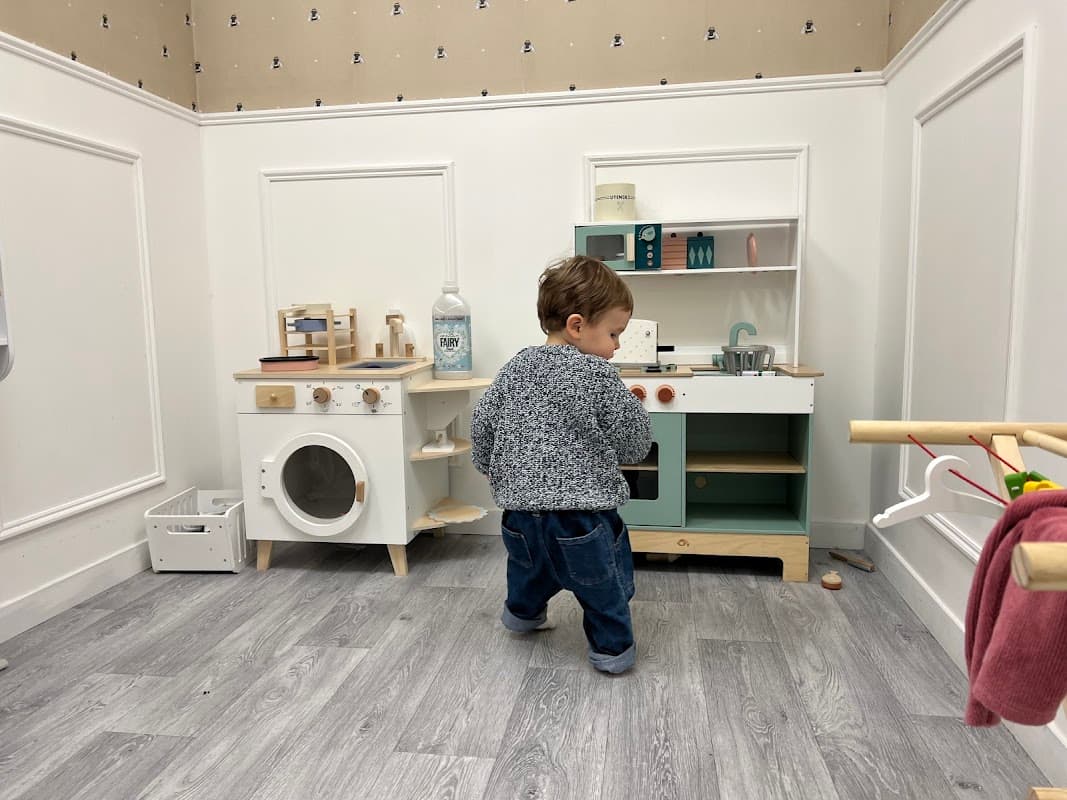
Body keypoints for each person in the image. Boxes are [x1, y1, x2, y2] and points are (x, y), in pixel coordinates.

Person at [470, 256, 652, 673]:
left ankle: (522, 614)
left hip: (520, 515)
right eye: (613, 333)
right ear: (577, 326)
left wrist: (488, 463)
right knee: (604, 587)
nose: (617, 346)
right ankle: (611, 651)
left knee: (528, 572)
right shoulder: (598, 376)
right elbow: (635, 442)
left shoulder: (515, 367)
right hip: (581, 522)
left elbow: (483, 421)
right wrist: (634, 426)